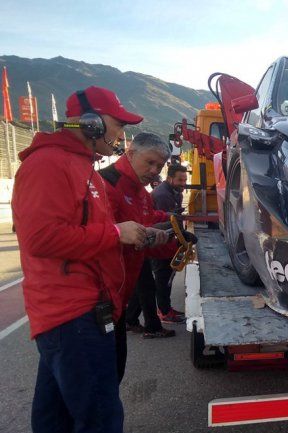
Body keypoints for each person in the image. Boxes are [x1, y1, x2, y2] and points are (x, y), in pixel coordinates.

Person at [13, 86, 150, 432]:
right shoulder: (48, 164)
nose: (122, 133)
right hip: (73, 316)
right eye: (117, 124)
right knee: (101, 419)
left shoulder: (84, 168)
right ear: (90, 123)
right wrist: (117, 234)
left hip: (84, 312)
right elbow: (40, 237)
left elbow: (92, 234)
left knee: (55, 418)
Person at [98, 132, 178, 381]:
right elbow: (99, 241)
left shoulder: (141, 192)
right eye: (150, 162)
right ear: (131, 154)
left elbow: (145, 236)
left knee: (113, 372)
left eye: (160, 166)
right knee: (101, 380)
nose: (155, 170)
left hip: (118, 301)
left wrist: (175, 236)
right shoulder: (105, 184)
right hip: (101, 300)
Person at [151, 163, 188, 323]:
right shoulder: (163, 196)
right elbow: (167, 224)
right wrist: (183, 238)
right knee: (163, 279)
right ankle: (164, 312)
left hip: (168, 242)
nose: (183, 183)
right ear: (170, 178)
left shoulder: (175, 192)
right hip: (160, 244)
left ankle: (165, 309)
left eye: (185, 179)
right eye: (180, 180)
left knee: (166, 278)